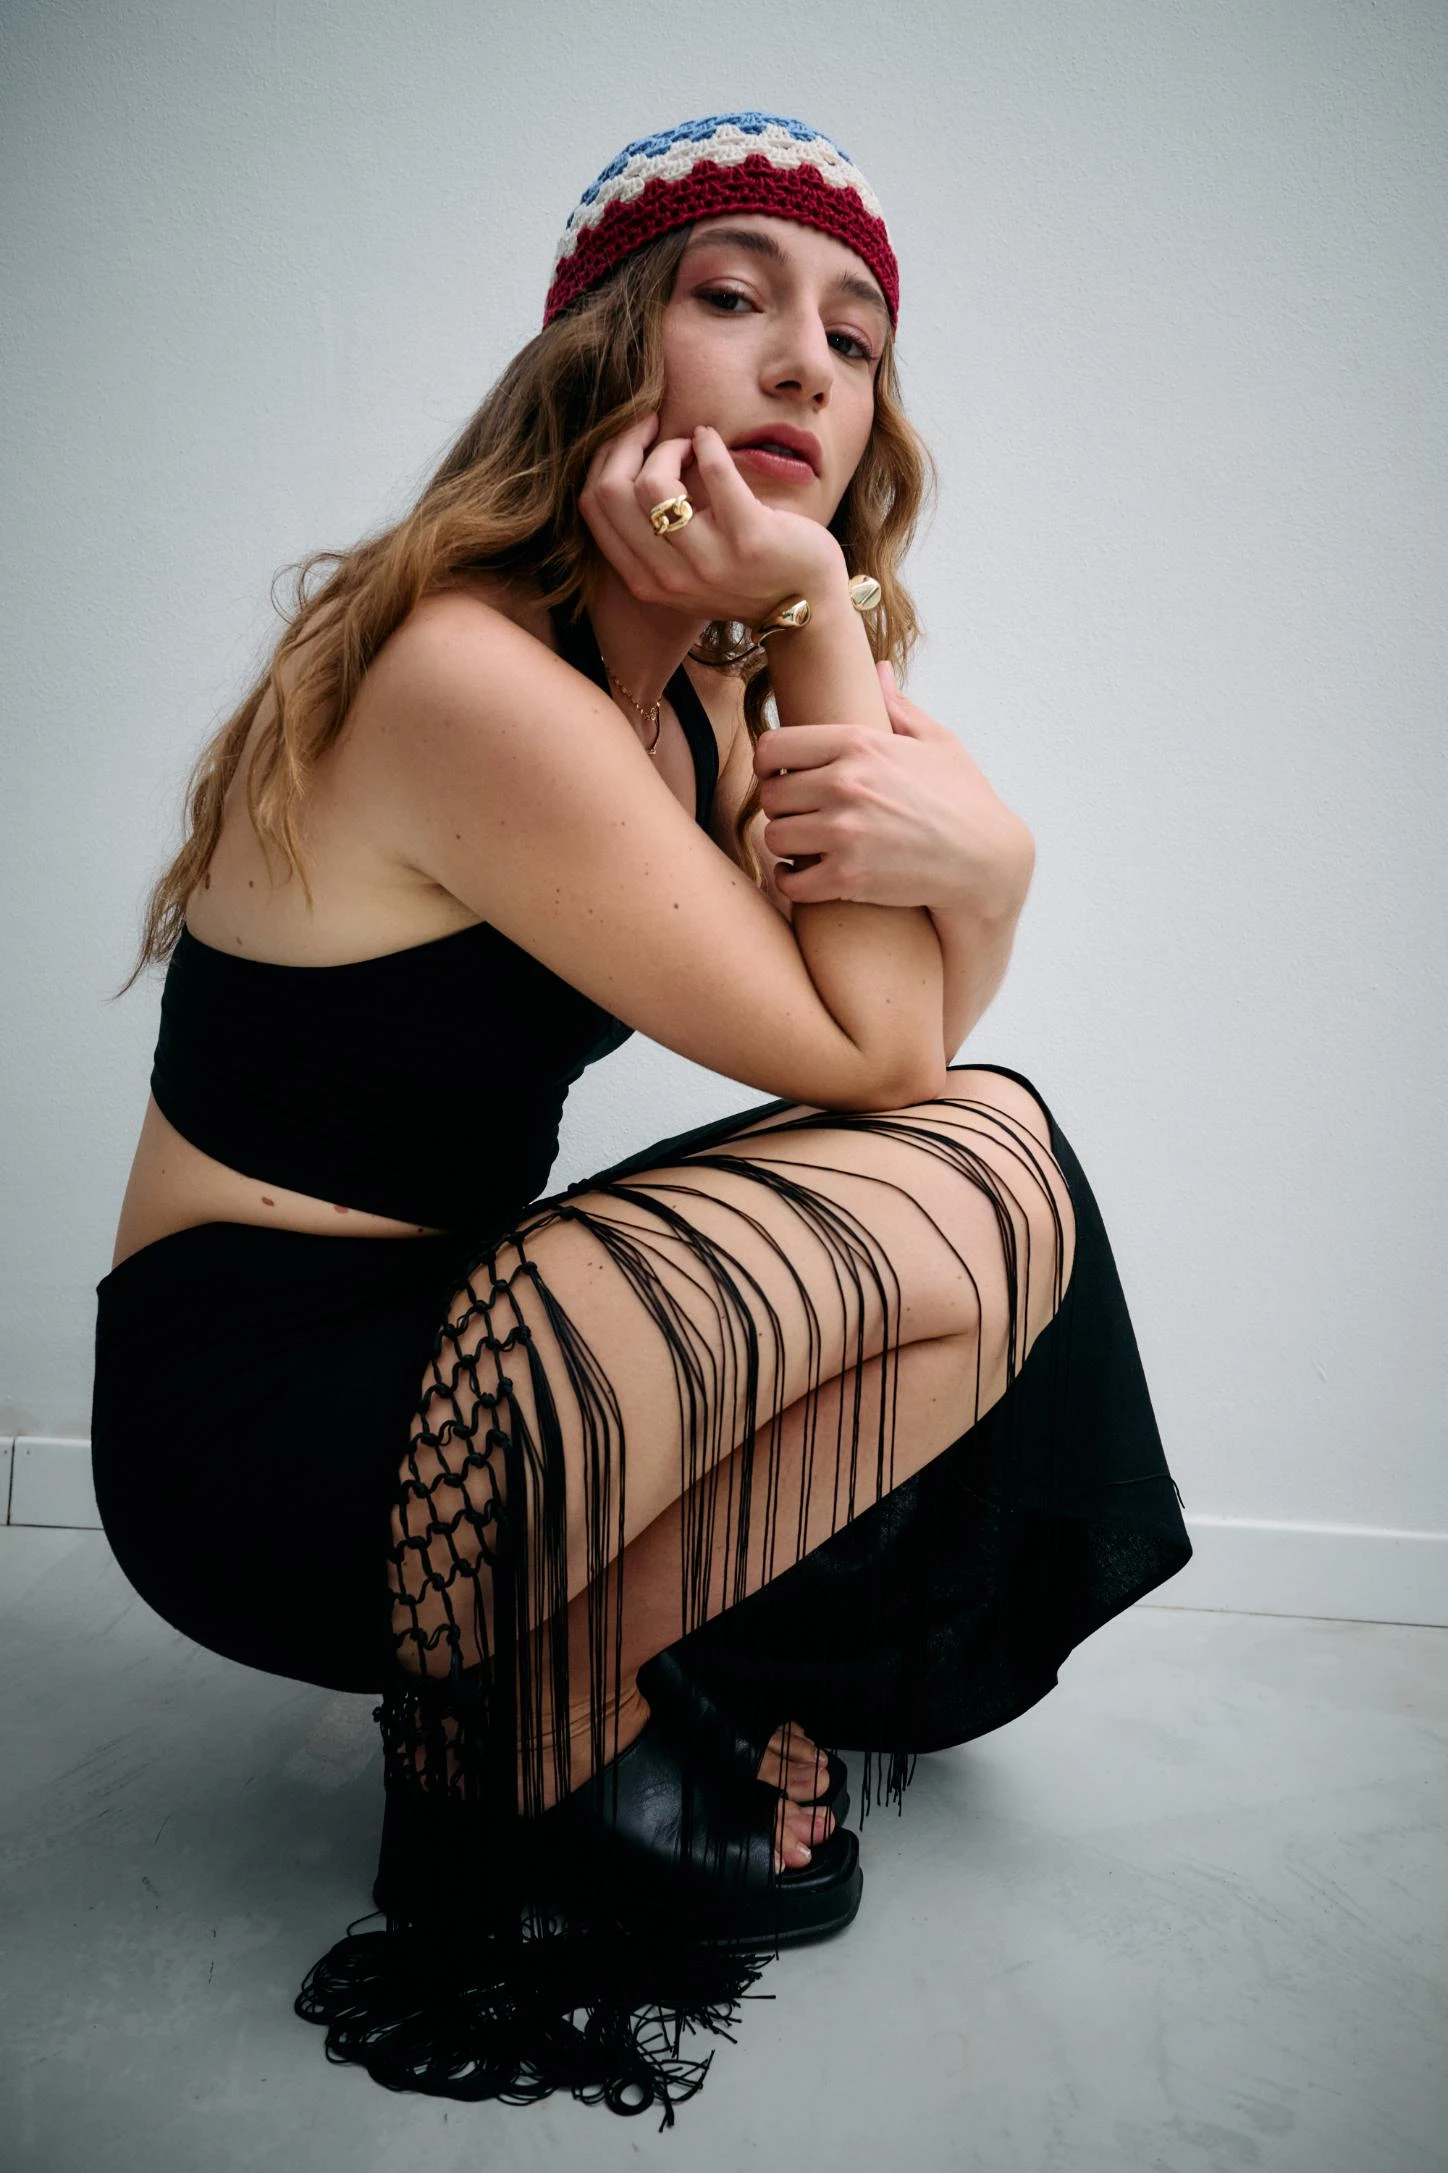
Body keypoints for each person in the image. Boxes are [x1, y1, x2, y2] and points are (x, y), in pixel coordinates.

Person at [92, 111, 1192, 2124]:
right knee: (969, 1164)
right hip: (256, 1426)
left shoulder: (695, 707)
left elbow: (896, 1066)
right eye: (735, 297)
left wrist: (992, 880)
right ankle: (541, 1726)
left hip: (460, 1341)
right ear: (609, 348)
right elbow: (880, 1062)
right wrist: (826, 618)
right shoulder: (471, 678)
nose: (805, 367)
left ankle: (551, 1694)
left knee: (991, 1169)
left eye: (853, 339)